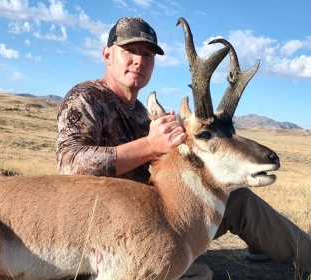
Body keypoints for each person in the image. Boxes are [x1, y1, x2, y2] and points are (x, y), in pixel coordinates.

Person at [56, 17, 311, 276]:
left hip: (160, 216)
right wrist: (150, 144)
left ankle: (299, 252)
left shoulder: (143, 114)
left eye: (148, 54)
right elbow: (70, 164)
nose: (139, 60)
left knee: (238, 198)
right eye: (129, 50)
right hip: (108, 230)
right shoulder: (86, 98)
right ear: (107, 54)